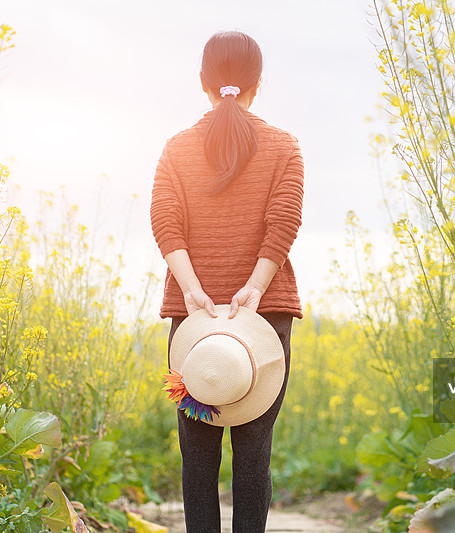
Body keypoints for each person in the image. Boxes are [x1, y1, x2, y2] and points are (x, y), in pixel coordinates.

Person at [149, 30, 304, 533]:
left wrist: (193, 290)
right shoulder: (285, 148)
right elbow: (284, 224)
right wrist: (255, 290)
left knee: (197, 457)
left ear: (203, 83)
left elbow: (164, 222)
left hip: (193, 325)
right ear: (258, 84)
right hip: (264, 319)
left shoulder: (176, 148)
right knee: (254, 453)